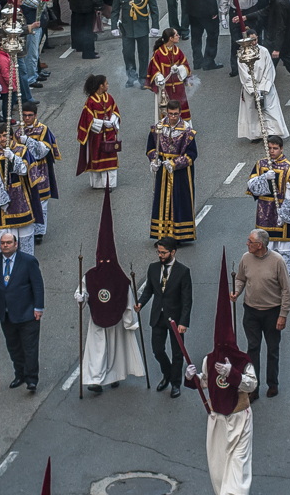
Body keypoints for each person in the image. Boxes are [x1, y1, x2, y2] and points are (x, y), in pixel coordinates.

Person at [185, 252, 255, 495]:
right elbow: (205, 383)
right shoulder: (209, 359)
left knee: (238, 464)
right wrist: (191, 377)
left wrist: (233, 373)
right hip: (216, 419)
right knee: (218, 466)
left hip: (239, 418)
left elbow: (251, 385)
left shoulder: (243, 360)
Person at [75, 190, 145, 393]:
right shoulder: (90, 275)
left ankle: (115, 375)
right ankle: (95, 380)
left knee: (114, 349)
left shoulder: (120, 277)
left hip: (115, 320)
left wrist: (129, 320)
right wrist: (80, 297)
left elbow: (128, 298)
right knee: (97, 350)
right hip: (98, 319)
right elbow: (82, 291)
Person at [231, 228, 290, 399]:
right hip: (251, 312)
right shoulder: (246, 258)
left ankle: (273, 383)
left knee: (272, 349)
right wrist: (236, 292)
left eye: (250, 242)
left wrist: (283, 314)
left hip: (272, 312)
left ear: (260, 245)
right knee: (252, 349)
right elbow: (241, 278)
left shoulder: (277, 261)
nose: (247, 244)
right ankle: (253, 387)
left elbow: (287, 289)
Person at [0, 231, 44, 392]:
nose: (5, 245)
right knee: (14, 347)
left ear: (16, 244)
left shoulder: (28, 261)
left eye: (9, 243)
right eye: (3, 243)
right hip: (6, 313)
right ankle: (20, 374)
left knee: (29, 348)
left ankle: (32, 379)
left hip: (27, 313)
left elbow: (37, 285)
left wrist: (38, 307)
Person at [136, 238, 192, 397]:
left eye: (163, 252)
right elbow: (149, 290)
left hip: (175, 319)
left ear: (173, 252)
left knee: (177, 353)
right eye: (158, 252)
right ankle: (167, 373)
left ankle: (175, 383)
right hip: (158, 316)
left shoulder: (183, 271)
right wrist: (140, 303)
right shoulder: (153, 268)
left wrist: (183, 322)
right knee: (157, 349)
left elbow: (187, 300)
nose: (160, 255)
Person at [246, 137, 290, 274]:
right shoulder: (260, 165)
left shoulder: (289, 168)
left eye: (275, 148)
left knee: (283, 245)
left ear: (281, 149)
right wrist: (264, 178)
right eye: (270, 148)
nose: (272, 151)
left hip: (281, 212)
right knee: (267, 243)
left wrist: (284, 215)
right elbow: (251, 186)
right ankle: (267, 273)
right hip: (265, 212)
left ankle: (284, 275)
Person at [0, 126, 42, 255]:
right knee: (6, 243)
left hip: (22, 198)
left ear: (10, 135)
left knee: (26, 242)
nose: (2, 139)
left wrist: (14, 158)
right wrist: (1, 195)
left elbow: (25, 171)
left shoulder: (22, 151)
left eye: (4, 135)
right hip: (7, 203)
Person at [146, 99, 198, 242]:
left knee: (178, 201)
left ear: (180, 113)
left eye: (175, 114)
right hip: (163, 170)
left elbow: (192, 155)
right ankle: (162, 235)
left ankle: (178, 235)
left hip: (181, 173)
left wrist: (175, 164)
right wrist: (153, 160)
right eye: (170, 114)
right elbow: (151, 148)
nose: (173, 117)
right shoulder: (158, 128)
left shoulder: (187, 131)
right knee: (162, 201)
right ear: (166, 113)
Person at [111, 0, 160, 87]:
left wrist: (155, 26)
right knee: (128, 54)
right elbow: (115, 9)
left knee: (143, 54)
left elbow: (154, 9)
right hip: (127, 28)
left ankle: (143, 77)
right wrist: (114, 26)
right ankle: (131, 77)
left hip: (142, 27)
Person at [237, 29, 289, 140]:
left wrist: (263, 88)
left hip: (266, 87)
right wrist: (253, 90)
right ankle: (256, 135)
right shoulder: (241, 54)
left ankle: (272, 132)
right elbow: (244, 75)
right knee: (253, 113)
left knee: (270, 110)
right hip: (250, 88)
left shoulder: (264, 51)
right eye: (252, 40)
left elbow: (269, 70)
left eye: (255, 39)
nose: (254, 42)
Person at [20, 103, 60, 245]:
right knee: (27, 200)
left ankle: (39, 231)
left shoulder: (42, 130)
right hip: (24, 171)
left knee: (41, 201)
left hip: (40, 170)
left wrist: (29, 141)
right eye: (24, 115)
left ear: (36, 115)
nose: (27, 118)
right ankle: (27, 228)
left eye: (30, 115)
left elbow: (44, 151)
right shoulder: (19, 131)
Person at [76, 74, 120, 189]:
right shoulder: (91, 101)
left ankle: (110, 183)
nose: (108, 85)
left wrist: (112, 121)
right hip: (97, 136)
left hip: (110, 134)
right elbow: (87, 119)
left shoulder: (109, 98)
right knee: (97, 157)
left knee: (110, 157)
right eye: (106, 83)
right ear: (101, 86)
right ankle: (98, 183)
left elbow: (115, 112)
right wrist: (101, 123)